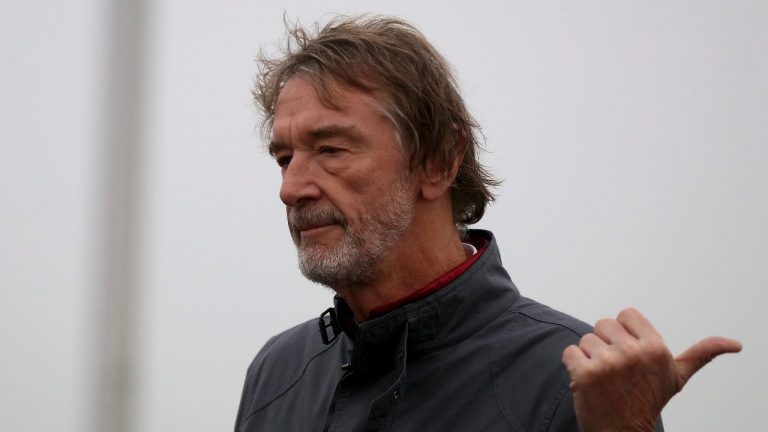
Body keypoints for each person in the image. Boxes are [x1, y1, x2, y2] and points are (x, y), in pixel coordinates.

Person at [235, 16, 741, 432]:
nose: (291, 188)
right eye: (284, 158)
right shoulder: (277, 371)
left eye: (330, 149)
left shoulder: (573, 382)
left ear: (438, 162)